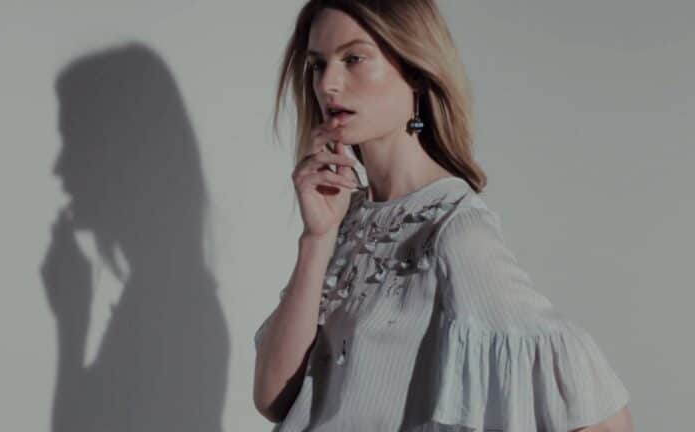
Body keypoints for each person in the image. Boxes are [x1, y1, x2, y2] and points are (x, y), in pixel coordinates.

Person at [252, 1, 634, 431]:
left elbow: (604, 419)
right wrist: (317, 238)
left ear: (414, 68)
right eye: (318, 65)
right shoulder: (343, 217)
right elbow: (273, 399)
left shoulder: (453, 230)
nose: (329, 84)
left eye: (353, 58)